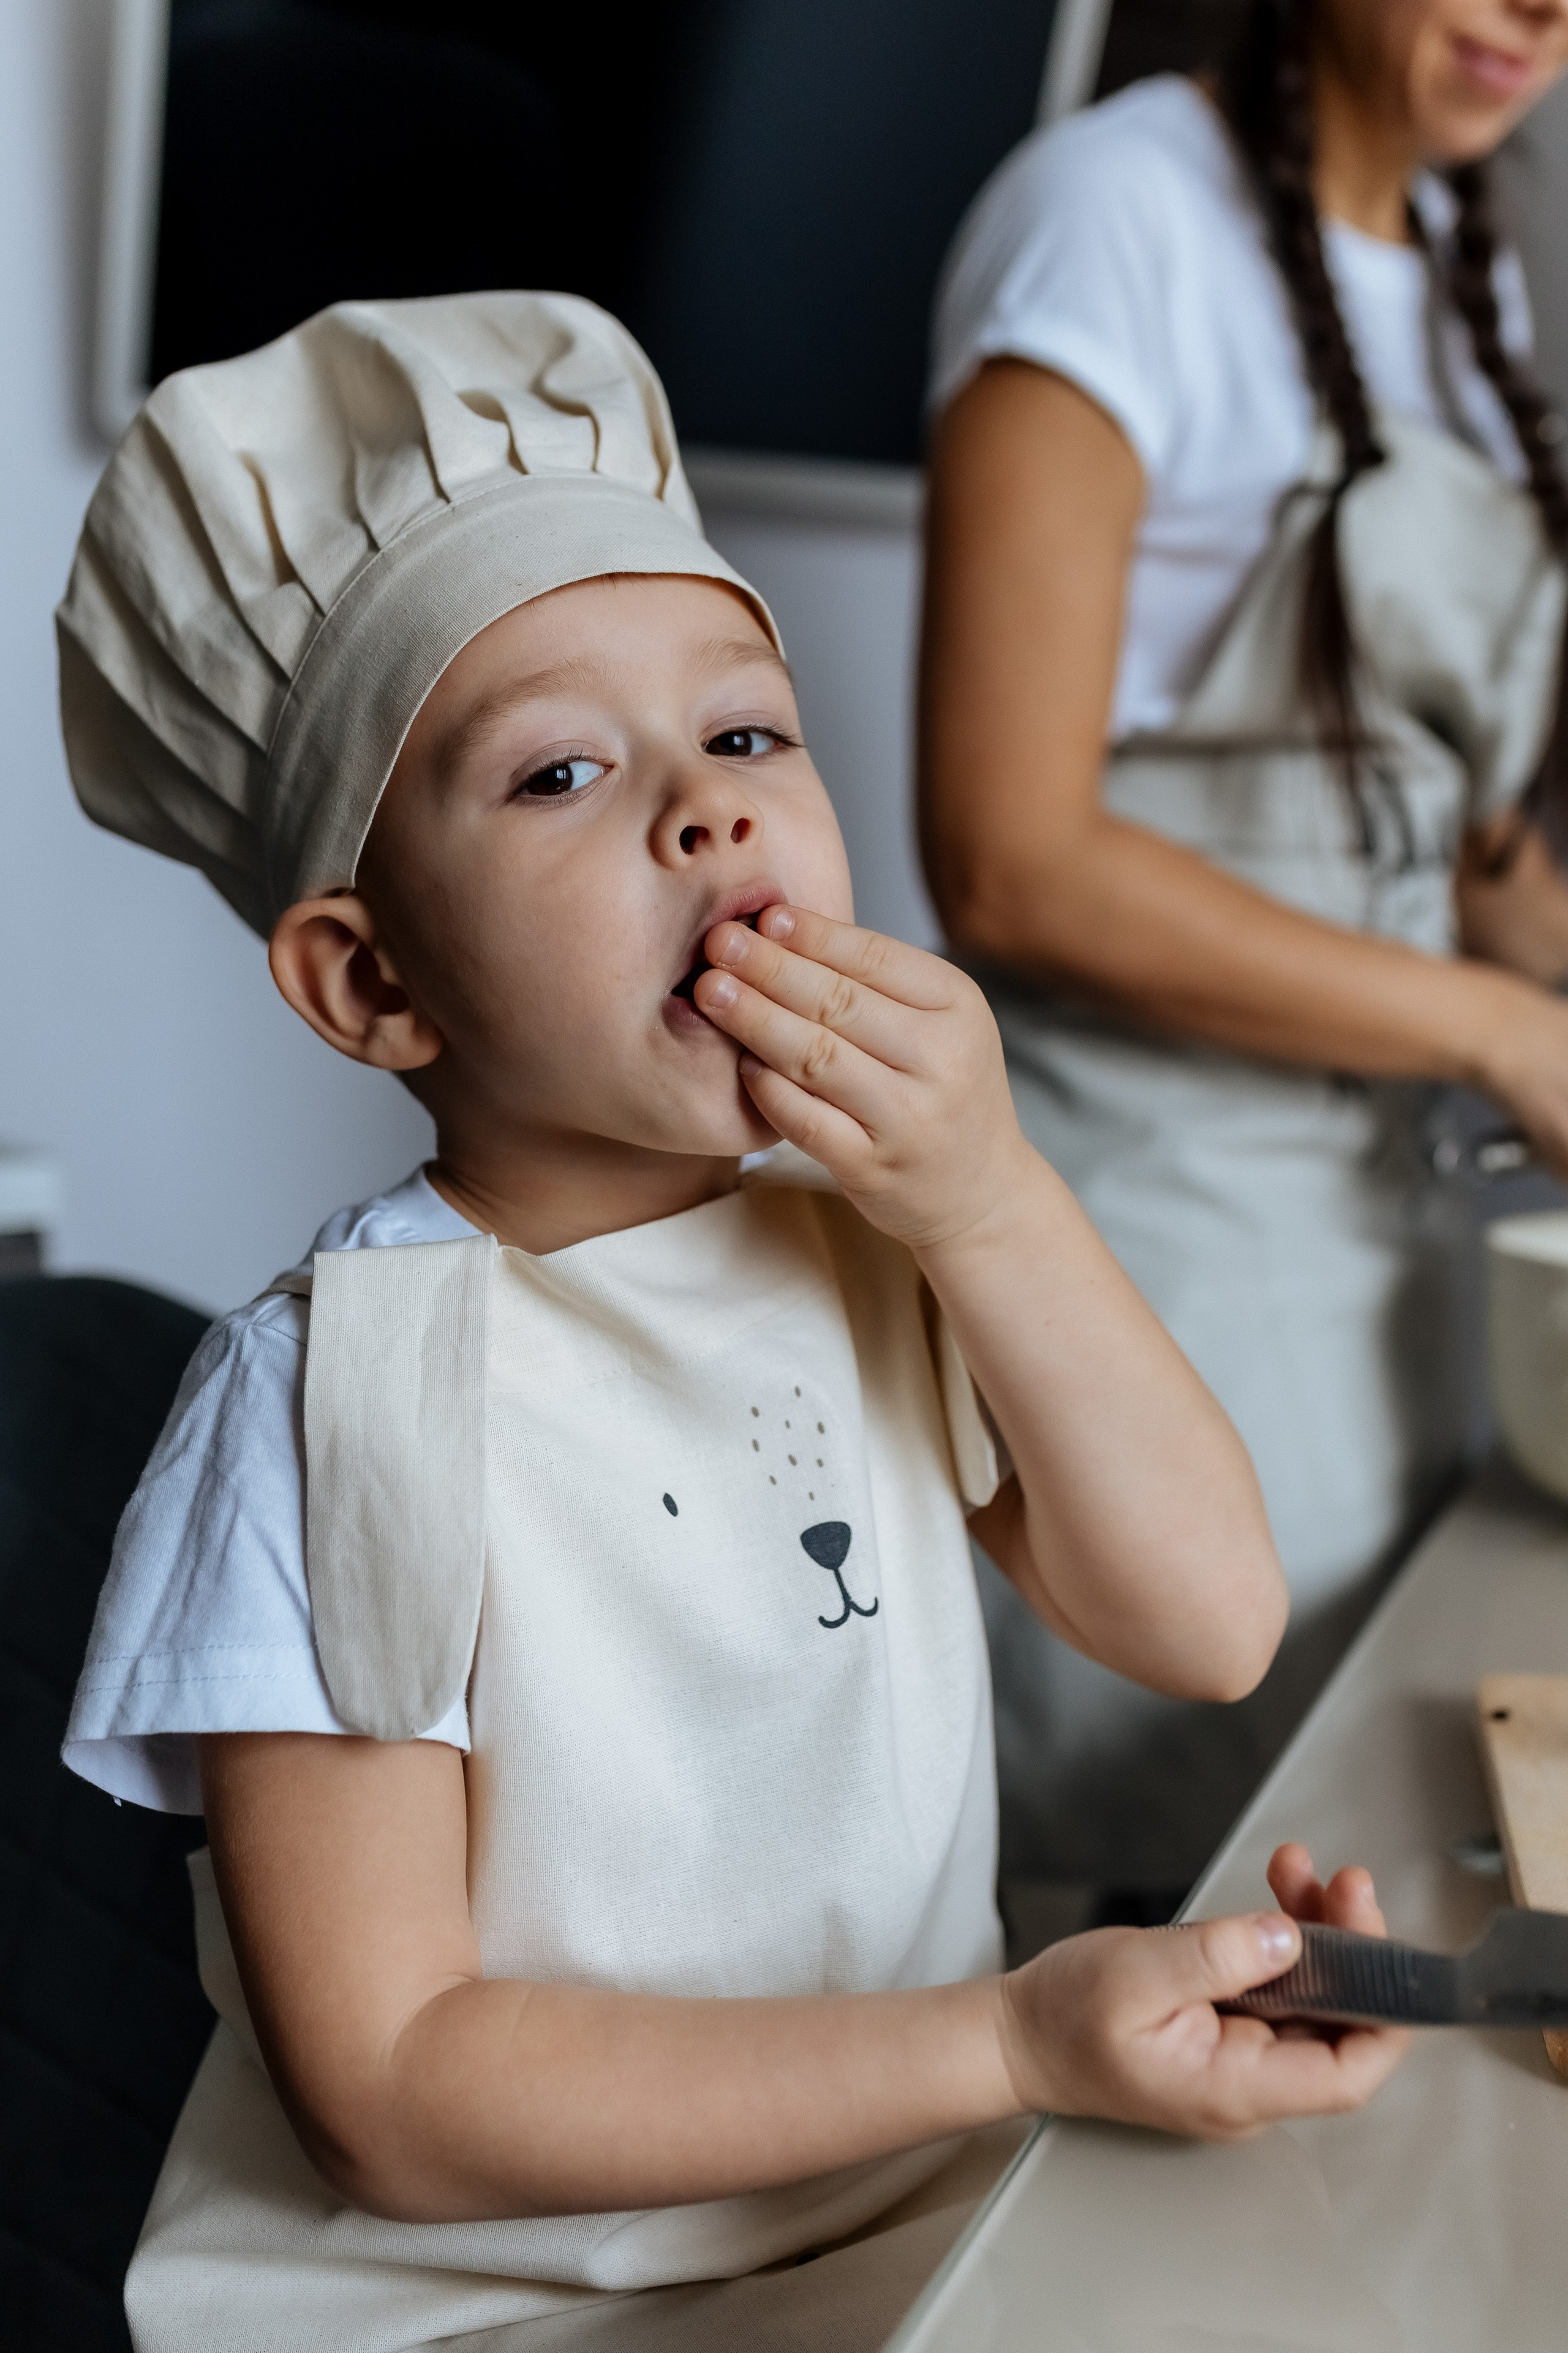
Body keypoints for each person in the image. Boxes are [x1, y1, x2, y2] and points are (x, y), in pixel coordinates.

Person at [59, 292, 1402, 2353]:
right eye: (565, 771)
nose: (706, 808)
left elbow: (1209, 1621)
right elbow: (395, 2093)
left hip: (919, 2220)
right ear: (372, 987)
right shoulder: (330, 1395)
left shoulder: (872, 1244)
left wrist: (990, 1193)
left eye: (749, 732)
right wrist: (1015, 2042)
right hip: (501, 2314)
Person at [920, 0, 1568, 1909]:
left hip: (1381, 1234)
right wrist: (1508, 1037)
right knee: (1136, 1886)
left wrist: (1537, 983)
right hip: (1155, 1232)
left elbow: (1441, 845)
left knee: (1329, 1881)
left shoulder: (1465, 275)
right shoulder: (1110, 222)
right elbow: (1007, 857)